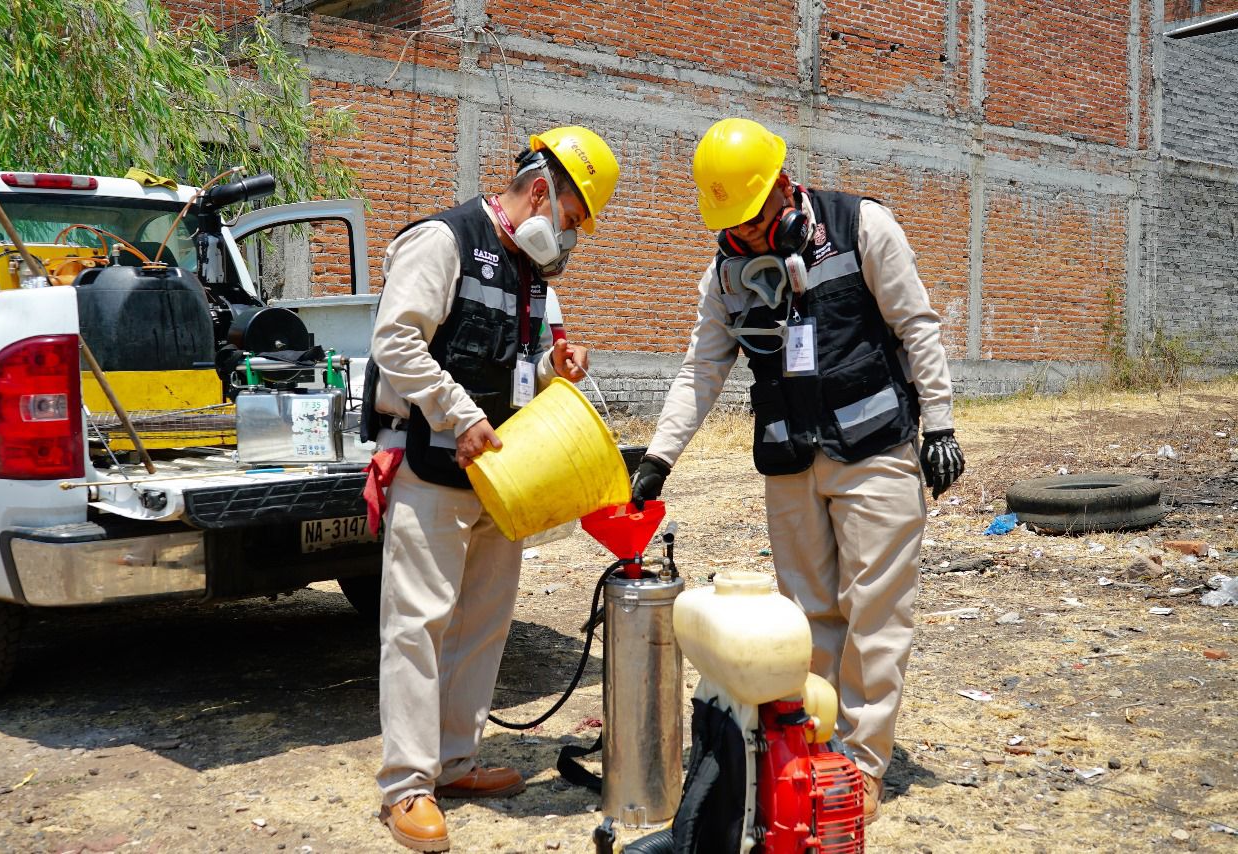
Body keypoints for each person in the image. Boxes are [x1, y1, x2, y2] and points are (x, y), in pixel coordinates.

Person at [631, 117, 964, 826]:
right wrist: (660, 456)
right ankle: (810, 753)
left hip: (875, 450)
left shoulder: (862, 225)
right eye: (732, 227)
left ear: (784, 188)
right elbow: (702, 368)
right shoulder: (726, 272)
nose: (745, 238)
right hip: (789, 459)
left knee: (876, 614)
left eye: (753, 223)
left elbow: (917, 325)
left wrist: (940, 424)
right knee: (807, 620)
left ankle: (863, 767)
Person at [363, 127, 620, 852]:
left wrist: (554, 369)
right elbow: (396, 341)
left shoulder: (533, 274)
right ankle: (407, 786)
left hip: (501, 478)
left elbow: (520, 368)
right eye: (572, 218)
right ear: (542, 192)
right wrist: (459, 415)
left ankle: (455, 760)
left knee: (483, 622)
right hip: (432, 469)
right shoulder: (442, 241)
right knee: (417, 626)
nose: (570, 237)